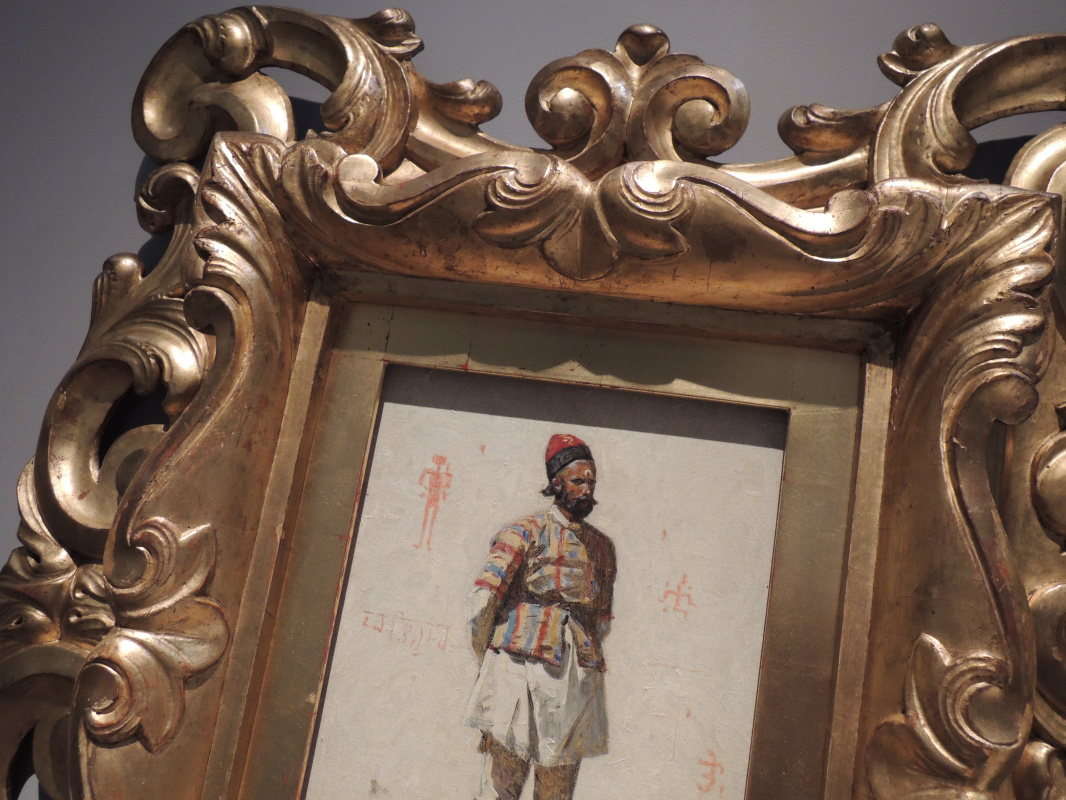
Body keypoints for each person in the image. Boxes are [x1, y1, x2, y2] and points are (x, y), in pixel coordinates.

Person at [464, 434, 617, 800]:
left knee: (557, 791)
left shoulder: (603, 547)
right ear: (556, 483)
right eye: (578, 481)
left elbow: (602, 621)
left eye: (591, 482)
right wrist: (487, 668)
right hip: (516, 674)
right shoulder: (522, 531)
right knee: (501, 787)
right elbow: (483, 603)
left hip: (574, 683)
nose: (586, 490)